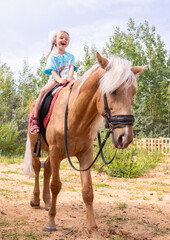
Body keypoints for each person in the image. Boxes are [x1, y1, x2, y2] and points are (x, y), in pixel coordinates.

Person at [30, 30, 77, 134]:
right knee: (42, 92)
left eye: (66, 39)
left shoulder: (71, 56)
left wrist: (69, 78)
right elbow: (53, 71)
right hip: (55, 80)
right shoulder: (52, 56)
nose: (64, 40)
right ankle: (35, 119)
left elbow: (71, 69)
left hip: (69, 80)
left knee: (82, 91)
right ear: (55, 41)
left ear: (68, 42)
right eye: (61, 38)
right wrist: (60, 80)